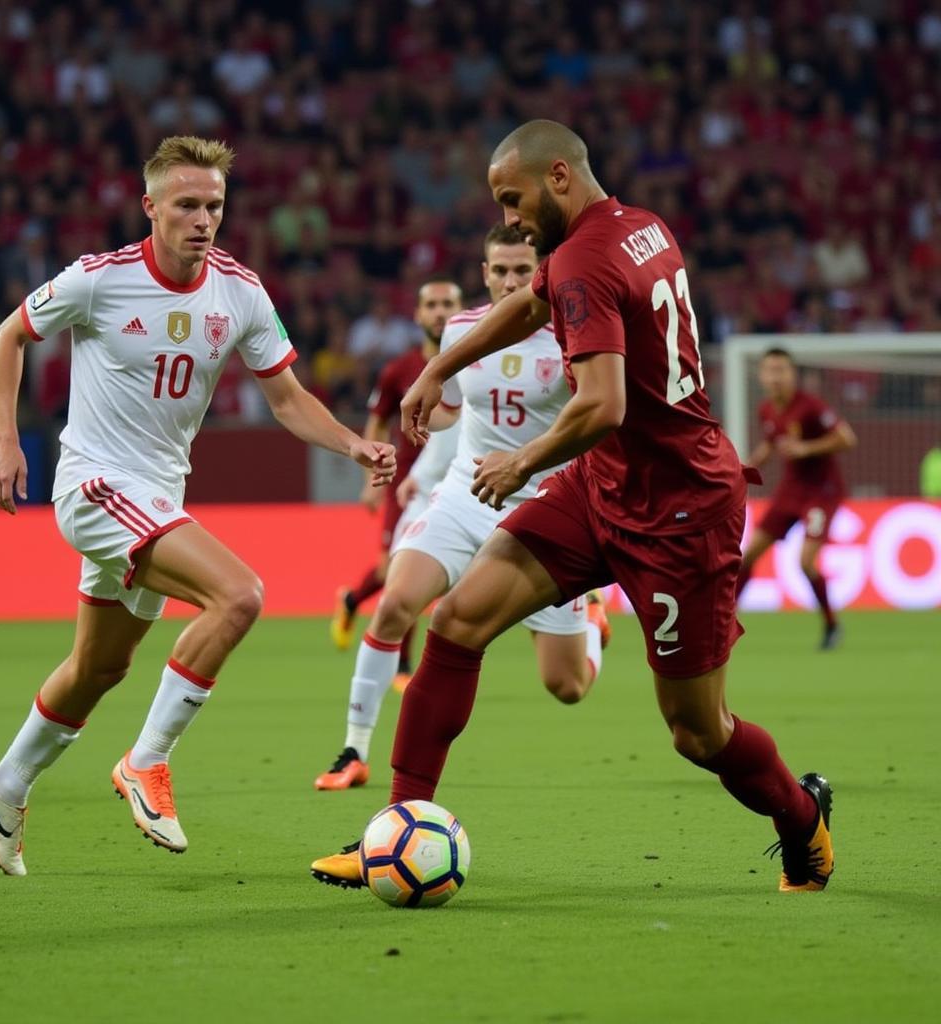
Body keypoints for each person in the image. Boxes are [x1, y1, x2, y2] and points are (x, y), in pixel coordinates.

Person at [311, 120, 833, 894]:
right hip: (602, 487)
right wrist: (441, 367)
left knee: (697, 731)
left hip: (679, 511)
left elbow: (602, 407)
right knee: (456, 622)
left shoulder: (584, 259)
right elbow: (530, 304)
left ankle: (801, 817)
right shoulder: (635, 227)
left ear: (558, 176)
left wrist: (520, 460)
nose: (512, 218)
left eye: (513, 200)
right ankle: (394, 825)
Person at [0, 135, 396, 876]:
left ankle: (4, 785)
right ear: (151, 207)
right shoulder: (100, 279)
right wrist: (6, 440)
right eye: (188, 205)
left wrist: (354, 444)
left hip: (158, 497)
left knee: (97, 668)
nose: (203, 219)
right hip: (96, 486)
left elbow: (288, 399)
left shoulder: (240, 292)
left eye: (215, 206)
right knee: (239, 596)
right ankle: (146, 762)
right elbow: (10, 335)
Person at [313, 225, 610, 791]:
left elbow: (593, 418)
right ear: (483, 272)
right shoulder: (463, 330)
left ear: (544, 272)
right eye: (499, 270)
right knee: (395, 604)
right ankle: (352, 750)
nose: (509, 282)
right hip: (465, 495)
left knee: (567, 686)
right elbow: (451, 415)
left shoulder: (575, 337)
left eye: (522, 271)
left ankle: (593, 622)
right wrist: (411, 459)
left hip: (544, 511)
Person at [329, 278, 462, 683]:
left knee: (425, 575)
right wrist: (373, 477)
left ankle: (352, 600)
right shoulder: (399, 369)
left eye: (448, 304)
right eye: (432, 305)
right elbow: (378, 419)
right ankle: (403, 667)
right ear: (419, 315)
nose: (440, 312)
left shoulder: (476, 363)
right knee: (398, 569)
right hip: (409, 481)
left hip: (457, 481)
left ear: (461, 311)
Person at [736, 349, 857, 649]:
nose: (776, 377)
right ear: (762, 376)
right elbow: (769, 445)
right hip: (790, 491)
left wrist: (807, 449)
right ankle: (725, 620)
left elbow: (847, 438)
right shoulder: (767, 410)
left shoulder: (811, 407)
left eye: (782, 370)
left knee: (806, 561)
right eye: (770, 371)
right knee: (748, 555)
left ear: (793, 374)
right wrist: (742, 471)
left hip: (821, 492)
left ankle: (831, 625)